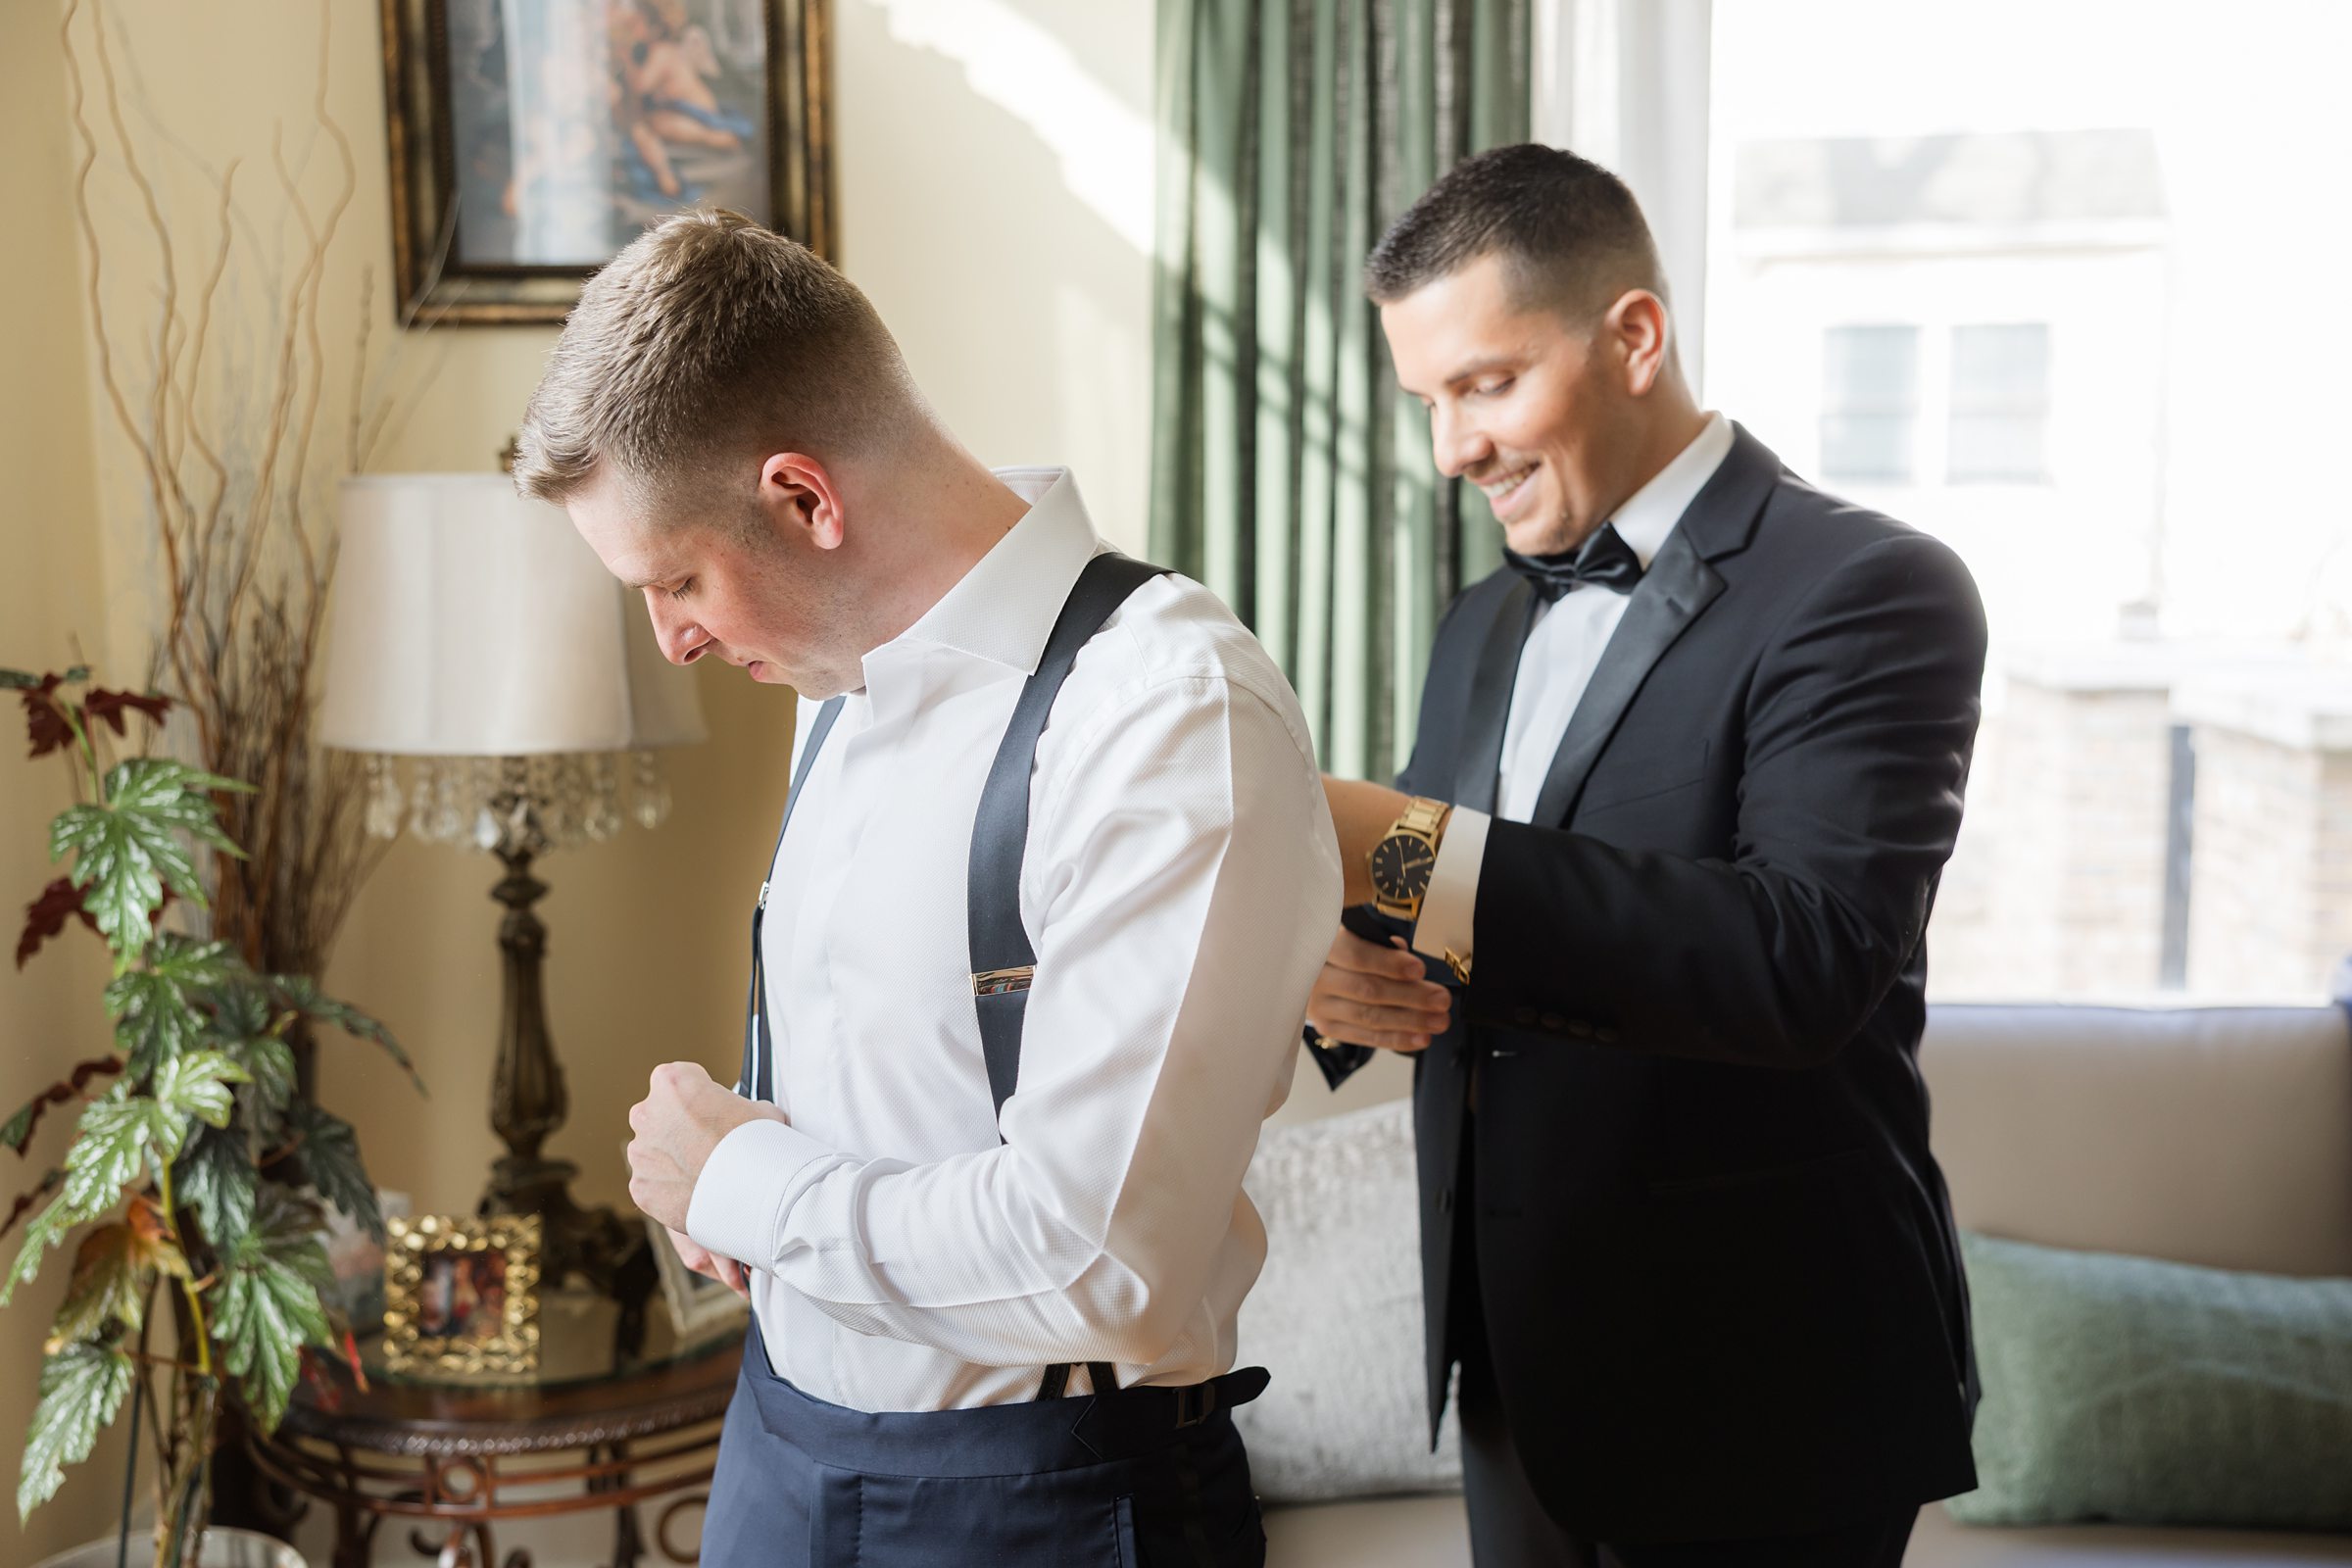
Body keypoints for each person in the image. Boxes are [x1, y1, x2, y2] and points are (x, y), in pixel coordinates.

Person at [512, 208, 1341, 1565]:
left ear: (802, 500)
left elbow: (1102, 1262)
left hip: (1041, 1506)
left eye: (677, 581)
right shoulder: (833, 676)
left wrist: (749, 1186)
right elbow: (907, 1073)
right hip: (775, 1451)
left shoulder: (1166, 710)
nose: (671, 641)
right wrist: (749, 1178)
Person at [1304, 144, 1986, 1567]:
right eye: (1429, 402)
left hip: (1767, 1383)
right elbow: (1433, 922)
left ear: (1633, 337)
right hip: (1513, 1360)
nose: (1450, 452)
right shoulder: (1481, 622)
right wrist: (1334, 981)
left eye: (1486, 385)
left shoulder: (1874, 589)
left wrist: (1400, 849)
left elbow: (1799, 958)